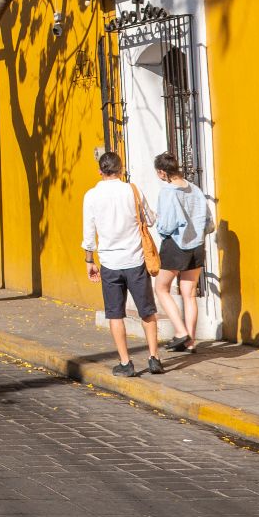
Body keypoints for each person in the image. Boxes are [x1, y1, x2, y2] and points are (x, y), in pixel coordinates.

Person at [81, 151, 163, 377]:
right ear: (121, 169)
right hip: (135, 260)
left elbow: (89, 235)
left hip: (109, 263)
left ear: (100, 171)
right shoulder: (132, 190)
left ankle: (126, 362)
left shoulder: (91, 196)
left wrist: (90, 261)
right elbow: (151, 219)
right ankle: (154, 357)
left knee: (115, 314)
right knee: (147, 311)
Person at [149, 153, 213, 354]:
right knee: (189, 294)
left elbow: (167, 226)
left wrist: (158, 222)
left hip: (175, 246)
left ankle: (180, 331)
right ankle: (190, 341)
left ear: (162, 172)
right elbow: (209, 223)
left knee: (161, 288)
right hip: (196, 247)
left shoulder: (168, 191)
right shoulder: (195, 189)